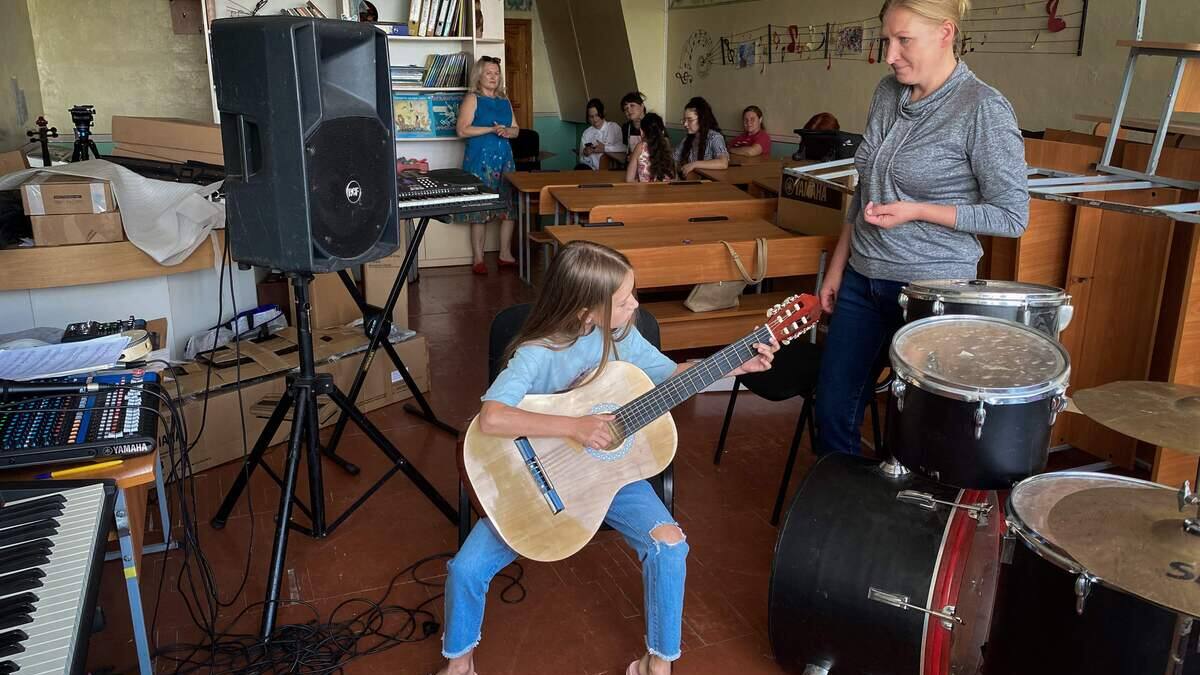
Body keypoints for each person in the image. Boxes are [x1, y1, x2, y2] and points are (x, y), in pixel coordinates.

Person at [434, 241, 779, 675]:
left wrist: (733, 365)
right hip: (535, 485)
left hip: (607, 479)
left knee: (670, 546)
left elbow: (670, 377)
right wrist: (574, 427)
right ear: (586, 311)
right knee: (466, 569)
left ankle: (657, 663)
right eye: (624, 299)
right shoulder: (537, 353)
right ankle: (460, 664)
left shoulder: (622, 337)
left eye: (632, 293)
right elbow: (493, 417)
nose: (636, 305)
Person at [813, 0, 1028, 456]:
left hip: (933, 292)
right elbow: (866, 188)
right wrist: (838, 266)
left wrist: (919, 210)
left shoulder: (982, 108)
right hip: (862, 280)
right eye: (886, 40)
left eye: (903, 40)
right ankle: (842, 497)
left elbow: (1011, 216)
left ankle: (903, 502)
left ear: (945, 33)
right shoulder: (887, 92)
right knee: (832, 409)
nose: (890, 55)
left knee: (916, 431)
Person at [455, 56, 518, 276]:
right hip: (479, 161)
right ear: (479, 76)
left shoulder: (504, 100)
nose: (493, 77)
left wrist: (506, 131)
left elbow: (516, 129)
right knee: (479, 210)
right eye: (489, 73)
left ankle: (505, 254)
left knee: (508, 208)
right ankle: (478, 259)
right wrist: (491, 129)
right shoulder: (473, 98)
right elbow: (462, 130)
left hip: (504, 160)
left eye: (496, 73)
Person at [675, 96, 729, 177]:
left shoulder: (714, 137)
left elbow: (723, 163)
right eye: (684, 120)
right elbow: (674, 158)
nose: (685, 124)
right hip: (692, 179)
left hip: (708, 182)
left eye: (690, 120)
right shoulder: (688, 138)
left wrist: (694, 164)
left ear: (702, 119)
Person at [625, 113, 676, 183]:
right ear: (662, 131)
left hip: (645, 189)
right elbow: (673, 176)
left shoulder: (640, 147)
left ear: (641, 131)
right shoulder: (667, 145)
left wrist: (641, 180)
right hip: (667, 189)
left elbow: (629, 179)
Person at [576, 98, 625, 170]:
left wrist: (604, 148)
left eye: (597, 115)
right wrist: (585, 154)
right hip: (591, 170)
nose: (595, 119)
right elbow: (582, 158)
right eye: (591, 117)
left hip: (611, 169)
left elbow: (622, 152)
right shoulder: (586, 133)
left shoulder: (614, 127)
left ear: (603, 112)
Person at [614, 91, 648, 165]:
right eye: (626, 108)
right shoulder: (626, 127)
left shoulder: (653, 123)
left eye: (632, 105)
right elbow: (625, 150)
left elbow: (663, 148)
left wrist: (636, 155)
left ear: (642, 106)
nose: (628, 110)